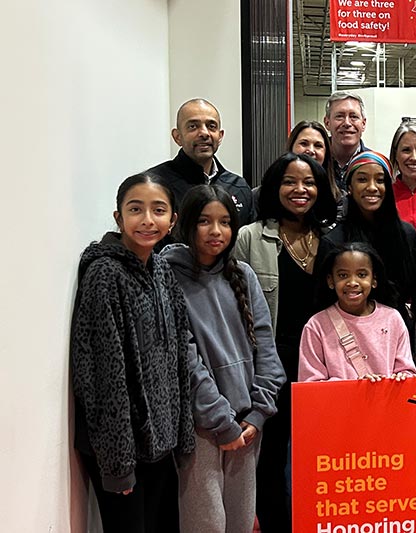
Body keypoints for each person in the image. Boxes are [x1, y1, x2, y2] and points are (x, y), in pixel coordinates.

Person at [70, 174, 194, 533]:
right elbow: (100, 376)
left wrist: (180, 437)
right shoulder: (104, 275)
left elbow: (178, 361)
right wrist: (118, 463)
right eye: (135, 209)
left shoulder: (160, 270)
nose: (147, 220)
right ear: (118, 217)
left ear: (172, 221)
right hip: (121, 450)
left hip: (160, 444)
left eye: (158, 210)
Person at [163, 185, 286, 533]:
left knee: (241, 521)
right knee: (207, 523)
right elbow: (185, 360)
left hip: (248, 425)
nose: (216, 231)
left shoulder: (243, 275)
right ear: (186, 224)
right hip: (204, 426)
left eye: (224, 222)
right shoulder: (168, 276)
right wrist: (221, 421)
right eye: (204, 221)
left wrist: (259, 414)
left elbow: (266, 349)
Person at [234, 151, 338, 532]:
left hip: (324, 368)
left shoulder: (332, 238)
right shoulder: (250, 237)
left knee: (323, 456)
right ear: (275, 187)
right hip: (271, 367)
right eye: (289, 182)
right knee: (271, 456)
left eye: (309, 182)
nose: (300, 190)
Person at [316, 151, 416, 331]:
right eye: (362, 180)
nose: (372, 187)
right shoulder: (334, 242)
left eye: (380, 180)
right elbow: (322, 301)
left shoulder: (406, 235)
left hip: (398, 334)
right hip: (346, 335)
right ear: (349, 186)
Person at [299, 242, 416, 382]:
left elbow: (407, 371)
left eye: (361, 274)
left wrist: (403, 377)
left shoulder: (392, 318)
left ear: (374, 280)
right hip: (340, 404)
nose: (352, 282)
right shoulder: (316, 326)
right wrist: (354, 387)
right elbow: (310, 385)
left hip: (385, 403)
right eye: (343, 275)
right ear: (331, 280)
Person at [149, 98, 254, 225]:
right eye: (193, 126)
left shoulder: (238, 187)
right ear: (177, 137)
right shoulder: (154, 185)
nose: (204, 133)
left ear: (220, 136)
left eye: (211, 126)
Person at [324, 91, 370, 191]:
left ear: (363, 124)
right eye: (339, 116)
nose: (347, 123)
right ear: (327, 123)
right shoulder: (317, 161)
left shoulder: (374, 164)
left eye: (354, 116)